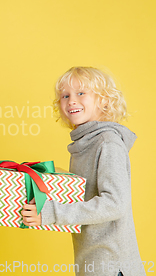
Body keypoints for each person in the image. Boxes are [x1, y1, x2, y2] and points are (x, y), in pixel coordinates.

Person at [21, 67, 145, 276]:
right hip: (93, 263)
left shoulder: (107, 143)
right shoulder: (85, 144)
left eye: (81, 93)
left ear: (104, 100)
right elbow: (86, 194)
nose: (71, 101)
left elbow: (115, 204)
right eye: (65, 95)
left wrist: (51, 212)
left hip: (113, 265)